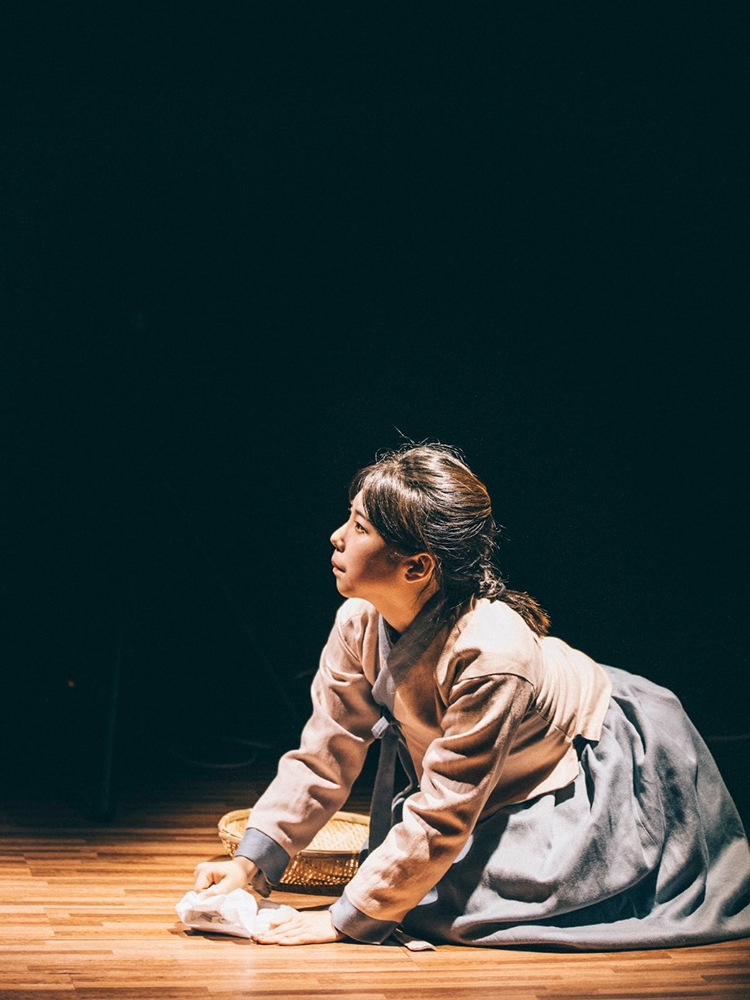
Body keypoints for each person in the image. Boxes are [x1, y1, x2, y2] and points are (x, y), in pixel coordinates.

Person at [192, 442, 750, 948]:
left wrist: (343, 920)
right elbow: (324, 755)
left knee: (458, 908)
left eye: (359, 527)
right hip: (484, 779)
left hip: (588, 758)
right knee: (413, 889)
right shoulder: (359, 620)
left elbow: (444, 810)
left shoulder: (491, 652)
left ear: (417, 566)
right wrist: (250, 866)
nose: (337, 536)